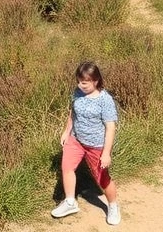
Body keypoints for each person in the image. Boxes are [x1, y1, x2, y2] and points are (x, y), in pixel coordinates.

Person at [52, 61, 120, 226]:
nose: (80, 85)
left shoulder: (105, 100)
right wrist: (66, 132)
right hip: (76, 140)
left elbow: (110, 128)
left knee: (102, 178)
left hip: (96, 145)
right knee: (67, 168)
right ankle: (70, 202)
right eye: (78, 81)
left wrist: (106, 153)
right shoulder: (77, 92)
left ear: (95, 81)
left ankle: (113, 206)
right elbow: (72, 113)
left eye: (84, 82)